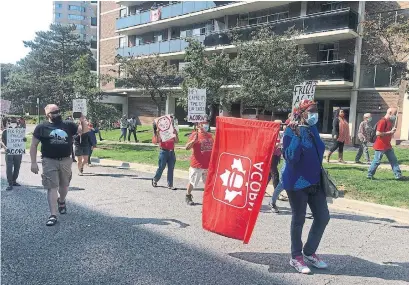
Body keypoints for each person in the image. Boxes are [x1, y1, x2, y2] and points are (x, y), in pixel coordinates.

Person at [282, 100, 330, 274]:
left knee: (323, 217)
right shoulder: (290, 130)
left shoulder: (312, 128)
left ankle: (309, 252)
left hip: (315, 181)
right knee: (299, 219)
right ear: (301, 113)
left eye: (316, 110)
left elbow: (319, 149)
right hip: (296, 183)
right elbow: (291, 158)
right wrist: (295, 135)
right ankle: (296, 257)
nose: (314, 113)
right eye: (311, 111)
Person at [30, 104, 89, 226]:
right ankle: (53, 215)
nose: (57, 114)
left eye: (58, 111)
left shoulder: (67, 124)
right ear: (47, 114)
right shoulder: (41, 127)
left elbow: (83, 132)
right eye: (54, 112)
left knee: (65, 185)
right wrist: (33, 162)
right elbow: (33, 145)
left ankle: (61, 201)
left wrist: (83, 121)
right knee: (52, 187)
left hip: (66, 160)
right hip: (49, 160)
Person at [368, 108, 402, 180]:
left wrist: (392, 131)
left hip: (387, 145)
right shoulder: (382, 121)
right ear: (390, 112)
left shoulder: (389, 122)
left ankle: (398, 175)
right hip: (380, 145)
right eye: (394, 114)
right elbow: (378, 133)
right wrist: (390, 132)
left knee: (393, 160)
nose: (395, 116)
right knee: (376, 161)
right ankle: (369, 174)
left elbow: (388, 132)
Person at [185, 120, 214, 206]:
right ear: (198, 126)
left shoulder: (209, 135)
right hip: (197, 165)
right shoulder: (195, 135)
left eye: (206, 124)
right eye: (202, 124)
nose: (204, 125)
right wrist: (192, 142)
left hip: (208, 165)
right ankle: (188, 195)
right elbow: (187, 148)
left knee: (208, 183)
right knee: (193, 182)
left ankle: (208, 198)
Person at [152, 120, 179, 190]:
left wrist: (175, 134)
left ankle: (170, 184)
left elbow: (177, 141)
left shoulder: (173, 130)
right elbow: (155, 142)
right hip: (163, 152)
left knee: (171, 168)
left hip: (171, 152)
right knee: (161, 167)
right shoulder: (161, 131)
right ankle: (155, 179)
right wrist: (157, 133)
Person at [1, 123, 25, 191]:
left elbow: (23, 140)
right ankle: (10, 183)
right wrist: (5, 147)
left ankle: (14, 181)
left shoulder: (19, 131)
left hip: (18, 152)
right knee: (9, 167)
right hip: (9, 152)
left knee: (17, 167)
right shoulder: (5, 131)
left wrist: (24, 139)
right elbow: (1, 141)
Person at [268, 120, 283, 213]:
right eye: (279, 125)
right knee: (275, 175)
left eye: (281, 125)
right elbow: (269, 145)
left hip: (276, 156)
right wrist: (278, 145)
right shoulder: (272, 133)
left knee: (268, 177)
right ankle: (276, 194)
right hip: (272, 157)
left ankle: (259, 194)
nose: (280, 126)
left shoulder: (279, 134)